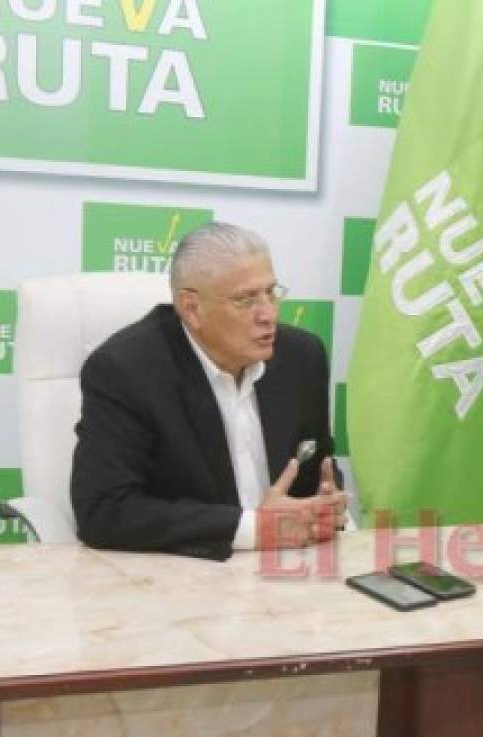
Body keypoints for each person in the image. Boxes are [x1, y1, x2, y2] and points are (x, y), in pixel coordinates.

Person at [71, 222, 346, 560]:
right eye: (246, 300)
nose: (269, 315)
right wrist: (253, 529)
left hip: (290, 569)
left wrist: (323, 503)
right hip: (184, 578)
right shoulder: (126, 370)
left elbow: (315, 473)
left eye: (271, 293)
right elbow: (104, 511)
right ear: (192, 309)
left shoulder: (302, 357)